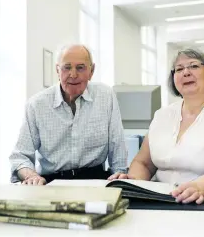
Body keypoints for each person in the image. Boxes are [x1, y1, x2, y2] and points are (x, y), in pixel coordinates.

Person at [109, 48, 204, 204]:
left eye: (194, 66)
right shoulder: (162, 115)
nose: (186, 72)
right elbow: (144, 163)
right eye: (179, 69)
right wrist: (133, 182)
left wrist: (199, 186)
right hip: (167, 198)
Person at [9, 44, 127, 185]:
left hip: (96, 180)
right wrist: (31, 176)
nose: (73, 74)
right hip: (51, 182)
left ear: (92, 70)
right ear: (57, 70)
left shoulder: (106, 96)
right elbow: (20, 156)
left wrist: (120, 176)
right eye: (67, 67)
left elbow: (117, 149)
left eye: (80, 67)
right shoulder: (36, 104)